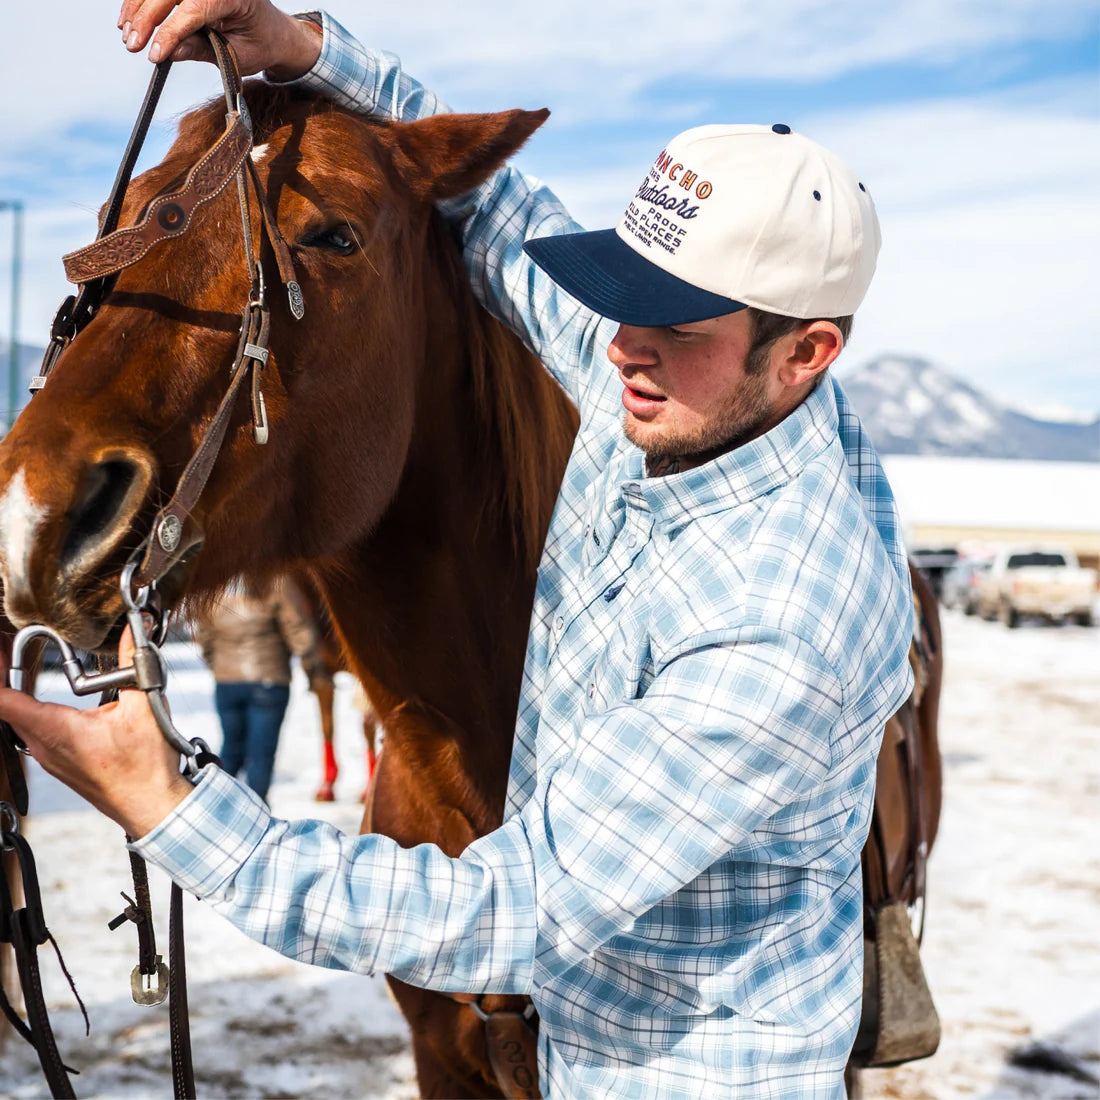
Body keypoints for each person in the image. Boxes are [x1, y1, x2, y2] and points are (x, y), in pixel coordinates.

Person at [0, 4, 916, 1097]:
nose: (620, 347)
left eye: (673, 324)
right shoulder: (684, 392)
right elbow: (493, 206)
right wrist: (305, 50)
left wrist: (174, 809)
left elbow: (517, 910)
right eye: (621, 299)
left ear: (806, 353)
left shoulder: (789, 612)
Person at [191, 575, 321, 803]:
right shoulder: (276, 580)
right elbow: (297, 629)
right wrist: (312, 665)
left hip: (227, 681)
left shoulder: (216, 582)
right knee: (261, 753)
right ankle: (257, 808)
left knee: (231, 748)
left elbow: (204, 635)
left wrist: (219, 666)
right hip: (269, 679)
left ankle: (217, 805)